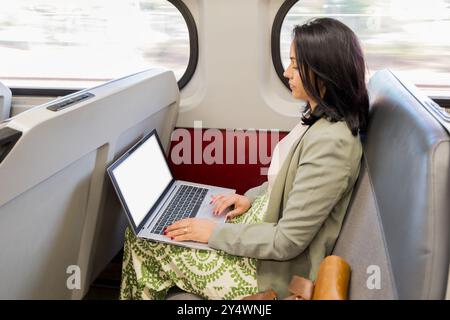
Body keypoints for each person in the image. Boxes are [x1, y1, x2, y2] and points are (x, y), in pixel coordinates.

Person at [119, 17, 369, 300]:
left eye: (296, 66)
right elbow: (286, 181)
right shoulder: (316, 119)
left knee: (140, 241)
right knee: (156, 230)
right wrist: (249, 197)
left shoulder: (332, 144)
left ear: (324, 75)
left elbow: (287, 242)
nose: (287, 72)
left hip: (271, 271)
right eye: (289, 62)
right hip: (260, 228)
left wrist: (212, 234)